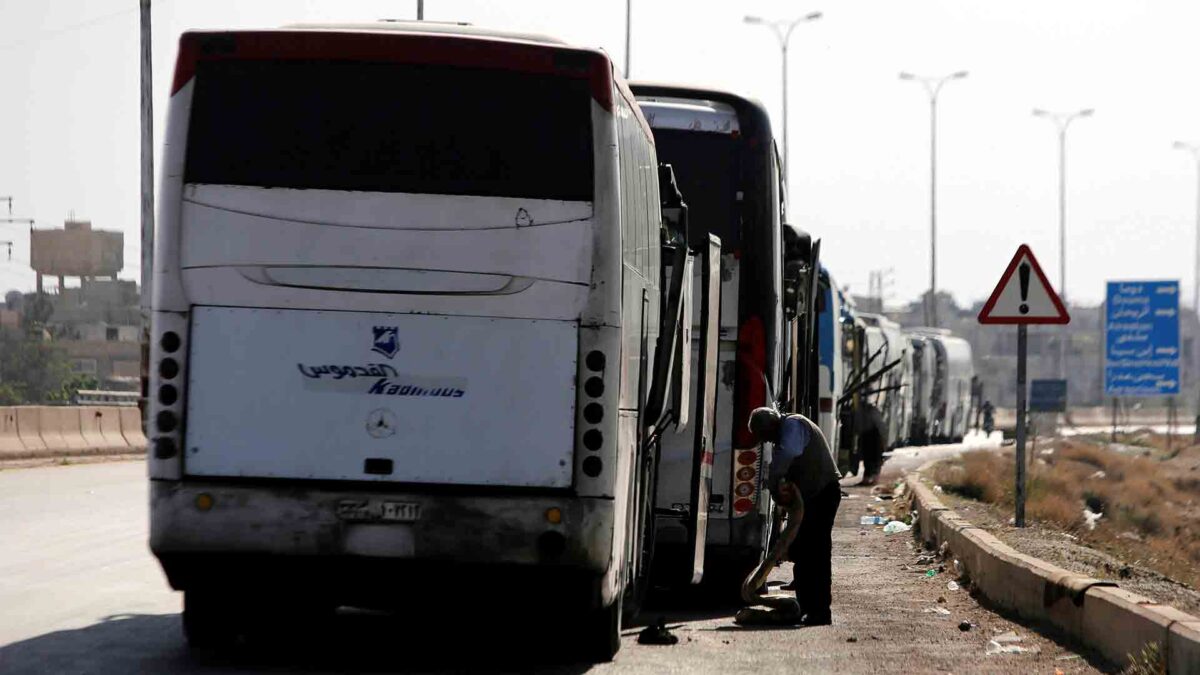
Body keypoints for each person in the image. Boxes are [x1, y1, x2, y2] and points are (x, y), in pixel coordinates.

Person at [749, 407, 842, 626]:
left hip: (822, 494)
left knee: (816, 554)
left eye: (767, 437)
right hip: (812, 497)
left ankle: (819, 611)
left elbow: (789, 452)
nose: (770, 442)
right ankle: (806, 607)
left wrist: (774, 477)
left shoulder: (793, 425)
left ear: (771, 426)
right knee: (802, 551)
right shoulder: (786, 430)